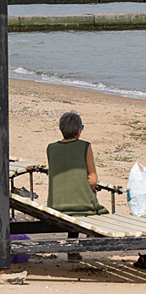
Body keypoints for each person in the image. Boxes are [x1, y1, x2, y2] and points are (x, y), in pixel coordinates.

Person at [46, 111, 108, 261]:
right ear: (79, 130)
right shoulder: (84, 146)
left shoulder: (51, 148)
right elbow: (92, 179)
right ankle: (76, 248)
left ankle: (73, 249)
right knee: (98, 211)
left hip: (56, 204)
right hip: (80, 206)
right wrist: (87, 187)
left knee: (73, 200)